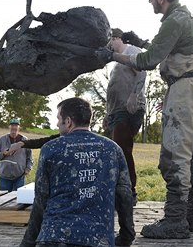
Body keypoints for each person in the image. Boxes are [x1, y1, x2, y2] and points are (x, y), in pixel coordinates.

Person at [96, 0, 193, 239]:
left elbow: (147, 60)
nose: (149, 1)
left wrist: (112, 55)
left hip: (184, 89)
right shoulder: (186, 18)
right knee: (192, 153)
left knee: (174, 155)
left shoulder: (175, 20)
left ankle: (175, 220)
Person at [19, 97, 135, 247]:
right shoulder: (112, 149)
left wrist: (27, 243)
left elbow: (41, 200)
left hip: (54, 238)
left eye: (58, 119)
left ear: (68, 121)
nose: (56, 124)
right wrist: (127, 237)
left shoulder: (50, 148)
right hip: (98, 239)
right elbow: (125, 196)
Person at [105, 27, 147, 204]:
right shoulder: (116, 63)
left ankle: (130, 192)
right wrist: (108, 113)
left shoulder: (132, 51)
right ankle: (120, 190)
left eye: (110, 42)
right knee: (116, 151)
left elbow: (143, 71)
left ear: (117, 38)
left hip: (129, 109)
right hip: (115, 111)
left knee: (122, 149)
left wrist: (134, 95)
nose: (109, 47)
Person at [0, 118, 33, 192]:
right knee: (3, 199)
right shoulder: (1, 140)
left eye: (16, 125)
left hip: (20, 176)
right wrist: (3, 154)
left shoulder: (25, 140)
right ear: (9, 127)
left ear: (19, 127)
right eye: (12, 125)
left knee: (19, 200)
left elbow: (29, 157)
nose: (14, 127)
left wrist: (28, 168)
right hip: (4, 176)